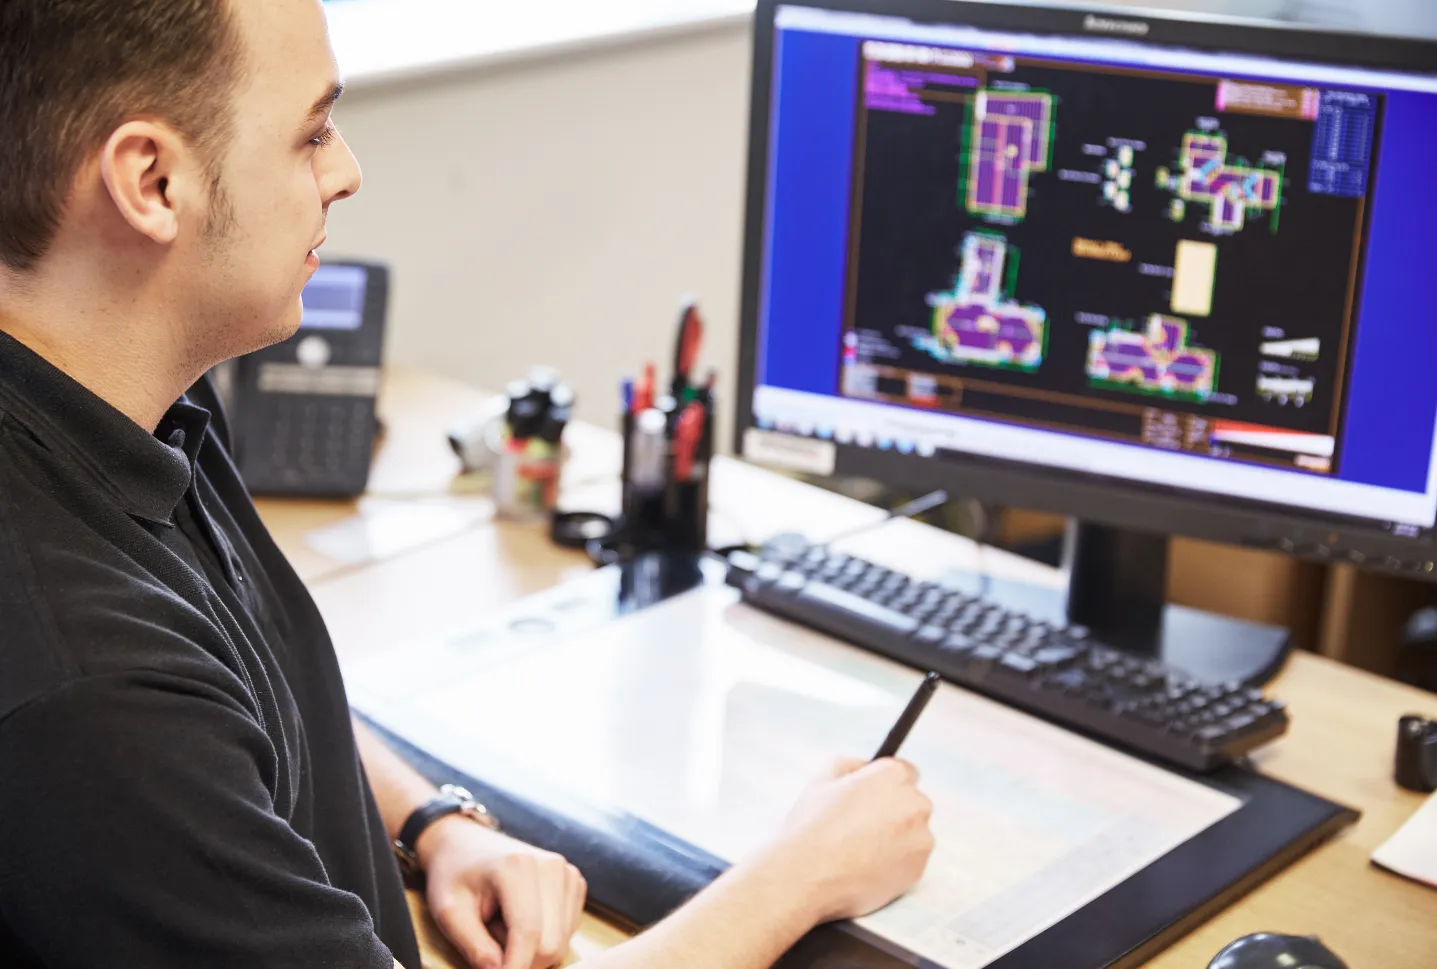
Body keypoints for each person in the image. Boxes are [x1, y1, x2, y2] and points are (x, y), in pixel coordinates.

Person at [0, 2, 936, 968]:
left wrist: (431, 818)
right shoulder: (82, 688)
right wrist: (802, 871)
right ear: (152, 181)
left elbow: (243, 683)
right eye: (311, 134)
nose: (345, 170)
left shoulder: (130, 387)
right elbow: (158, 723)